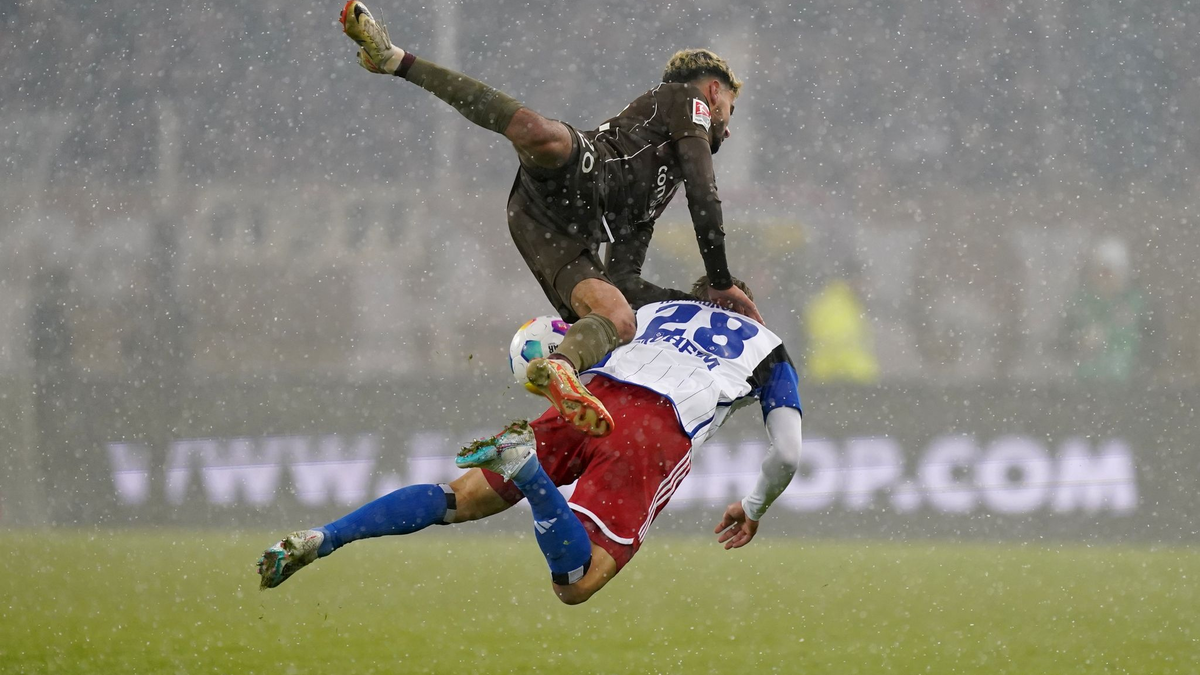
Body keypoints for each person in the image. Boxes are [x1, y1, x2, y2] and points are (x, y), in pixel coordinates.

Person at [339, 2, 763, 438]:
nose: (726, 130)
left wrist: (698, 306)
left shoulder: (656, 191)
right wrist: (720, 279)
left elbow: (626, 280)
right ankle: (395, 59)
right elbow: (705, 194)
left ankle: (561, 369)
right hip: (579, 173)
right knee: (537, 132)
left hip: (548, 228)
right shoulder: (686, 100)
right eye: (729, 110)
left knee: (618, 317)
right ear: (714, 92)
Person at [257, 278, 802, 604]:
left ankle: (325, 536)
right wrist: (754, 506)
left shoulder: (653, 310)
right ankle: (530, 473)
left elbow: (589, 333)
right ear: (753, 311)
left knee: (456, 499)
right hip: (655, 430)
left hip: (588, 398)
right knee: (578, 582)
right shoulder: (770, 349)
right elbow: (788, 452)